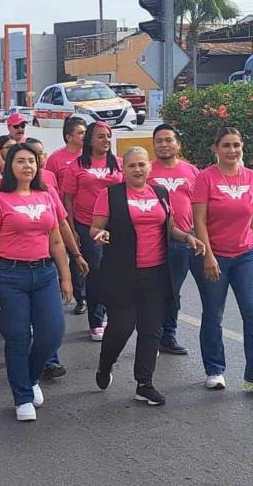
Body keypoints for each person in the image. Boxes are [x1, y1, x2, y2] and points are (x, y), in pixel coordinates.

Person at [91, 146, 205, 406]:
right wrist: (101, 234)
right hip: (122, 273)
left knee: (151, 329)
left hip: (156, 273)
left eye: (142, 164)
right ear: (124, 169)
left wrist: (188, 238)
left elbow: (170, 228)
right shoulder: (110, 194)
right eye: (131, 165)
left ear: (149, 167)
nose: (138, 169)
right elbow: (95, 227)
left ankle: (144, 384)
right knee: (121, 329)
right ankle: (105, 363)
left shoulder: (160, 193)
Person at [0, 143, 72, 422]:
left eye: (31, 160)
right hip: (8, 275)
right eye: (20, 161)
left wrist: (65, 276)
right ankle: (22, 397)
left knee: (53, 332)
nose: (27, 166)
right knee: (18, 337)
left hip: (43, 274)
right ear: (10, 166)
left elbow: (55, 239)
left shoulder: (46, 195)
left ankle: (29, 378)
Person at [191, 127, 253, 395]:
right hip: (215, 255)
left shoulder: (251, 176)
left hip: (246, 254)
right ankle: (215, 371)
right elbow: (199, 221)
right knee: (213, 314)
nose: (232, 150)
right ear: (215, 149)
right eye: (226, 145)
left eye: (236, 145)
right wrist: (208, 255)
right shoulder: (205, 178)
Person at [62, 122, 123, 341]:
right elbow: (67, 199)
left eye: (108, 136)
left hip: (115, 226)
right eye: (100, 137)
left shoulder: (118, 164)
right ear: (89, 140)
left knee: (115, 272)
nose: (106, 140)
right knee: (96, 271)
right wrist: (72, 229)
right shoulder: (77, 165)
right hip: (87, 225)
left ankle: (109, 312)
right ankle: (96, 320)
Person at [148, 123, 200, 355]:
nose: (164, 144)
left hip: (186, 240)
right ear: (153, 145)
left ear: (178, 144)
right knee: (154, 290)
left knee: (173, 291)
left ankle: (167, 335)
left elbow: (201, 206)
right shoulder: (146, 170)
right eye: (159, 140)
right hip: (152, 240)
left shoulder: (191, 171)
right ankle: (152, 335)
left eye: (169, 140)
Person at [45, 117, 89, 315]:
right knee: (72, 254)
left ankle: (91, 295)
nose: (84, 136)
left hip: (89, 216)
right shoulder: (56, 159)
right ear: (68, 136)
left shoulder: (91, 156)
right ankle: (79, 296)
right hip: (64, 217)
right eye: (80, 132)